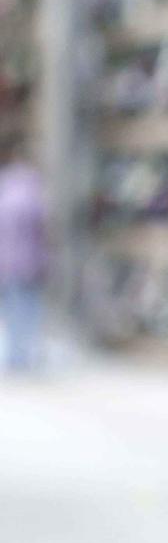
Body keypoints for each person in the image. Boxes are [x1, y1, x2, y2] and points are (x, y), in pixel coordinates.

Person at [0, 143, 50, 373]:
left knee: (12, 308)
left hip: (7, 261)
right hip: (30, 261)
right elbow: (43, 227)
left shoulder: (5, 191)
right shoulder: (33, 192)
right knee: (28, 308)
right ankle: (24, 355)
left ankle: (15, 356)